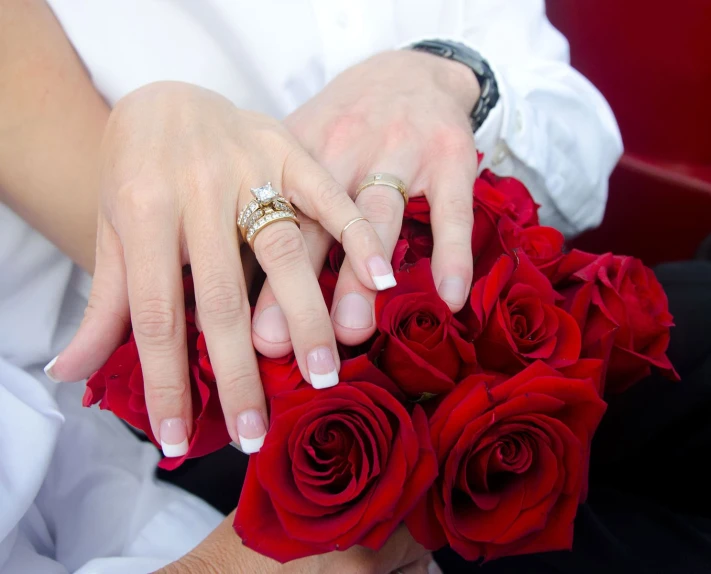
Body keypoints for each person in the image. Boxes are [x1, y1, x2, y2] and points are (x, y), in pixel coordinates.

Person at [0, 0, 621, 571]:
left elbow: (584, 143)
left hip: (497, 344)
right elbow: (175, 269)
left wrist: (445, 73)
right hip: (257, 420)